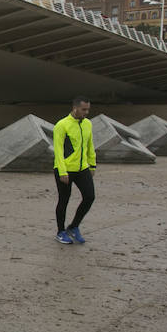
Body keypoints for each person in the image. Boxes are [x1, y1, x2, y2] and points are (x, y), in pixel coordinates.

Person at [52, 96, 96, 244]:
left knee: (89, 196)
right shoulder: (62, 125)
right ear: (75, 108)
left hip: (82, 168)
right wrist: (62, 171)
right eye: (84, 109)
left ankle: (73, 226)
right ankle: (60, 231)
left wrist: (92, 164)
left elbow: (90, 145)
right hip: (65, 169)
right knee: (64, 200)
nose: (86, 112)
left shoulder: (88, 124)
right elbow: (58, 150)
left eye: (88, 109)